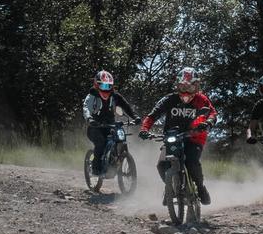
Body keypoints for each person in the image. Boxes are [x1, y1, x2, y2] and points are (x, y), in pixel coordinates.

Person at [138, 67, 217, 205]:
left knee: (191, 162)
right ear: (177, 85)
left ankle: (200, 188)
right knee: (161, 165)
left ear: (196, 86)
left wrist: (208, 123)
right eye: (182, 86)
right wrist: (144, 129)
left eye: (190, 87)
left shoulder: (201, 99)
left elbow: (212, 113)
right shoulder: (169, 99)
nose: (186, 91)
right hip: (172, 137)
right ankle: (171, 188)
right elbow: (152, 115)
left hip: (194, 137)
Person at [82, 70, 140, 176]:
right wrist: (90, 119)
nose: (106, 89)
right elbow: (86, 108)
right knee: (100, 142)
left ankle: (114, 162)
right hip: (94, 127)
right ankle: (96, 168)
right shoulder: (92, 95)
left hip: (110, 125)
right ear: (96, 84)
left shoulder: (115, 96)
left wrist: (135, 116)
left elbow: (126, 106)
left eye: (108, 86)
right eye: (103, 86)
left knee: (119, 138)